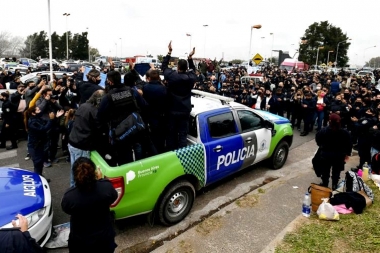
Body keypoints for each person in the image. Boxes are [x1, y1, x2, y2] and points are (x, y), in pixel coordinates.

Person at [61, 157, 118, 253]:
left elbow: (66, 208)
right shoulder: (106, 188)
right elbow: (113, 197)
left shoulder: (70, 196)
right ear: (94, 173)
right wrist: (101, 180)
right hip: (104, 240)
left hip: (81, 243)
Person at [162, 41, 197, 150]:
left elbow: (164, 67)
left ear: (177, 67)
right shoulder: (190, 77)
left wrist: (169, 53)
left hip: (172, 109)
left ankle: (171, 154)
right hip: (184, 110)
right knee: (183, 134)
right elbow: (194, 71)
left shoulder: (171, 76)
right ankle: (181, 154)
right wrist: (190, 58)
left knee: (171, 133)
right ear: (186, 68)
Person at [68, 90, 107, 186]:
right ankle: (78, 192)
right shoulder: (94, 111)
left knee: (74, 168)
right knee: (82, 172)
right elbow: (99, 128)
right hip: (82, 145)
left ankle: (73, 187)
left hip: (72, 142)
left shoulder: (83, 106)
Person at [315, 113, 352, 190]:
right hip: (339, 156)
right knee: (336, 171)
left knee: (325, 171)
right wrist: (347, 154)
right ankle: (334, 185)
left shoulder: (324, 131)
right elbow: (349, 144)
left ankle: (325, 184)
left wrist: (322, 146)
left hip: (326, 155)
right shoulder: (345, 132)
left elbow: (318, 140)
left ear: (330, 121)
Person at [26, 105, 62, 180]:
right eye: (38, 110)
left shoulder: (38, 118)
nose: (40, 111)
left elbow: (48, 124)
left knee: (40, 163)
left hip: (40, 144)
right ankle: (37, 180)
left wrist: (55, 117)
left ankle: (40, 178)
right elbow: (44, 128)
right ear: (33, 113)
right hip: (35, 146)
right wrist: (51, 120)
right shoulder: (32, 122)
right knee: (37, 164)